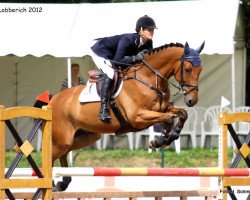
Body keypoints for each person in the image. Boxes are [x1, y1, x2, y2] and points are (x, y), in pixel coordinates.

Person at [90, 15, 157, 124]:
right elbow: (118, 60)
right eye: (149, 29)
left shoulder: (149, 43)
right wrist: (135, 58)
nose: (152, 32)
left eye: (153, 30)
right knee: (111, 72)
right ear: (140, 30)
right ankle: (103, 109)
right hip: (101, 51)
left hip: (115, 55)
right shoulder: (128, 40)